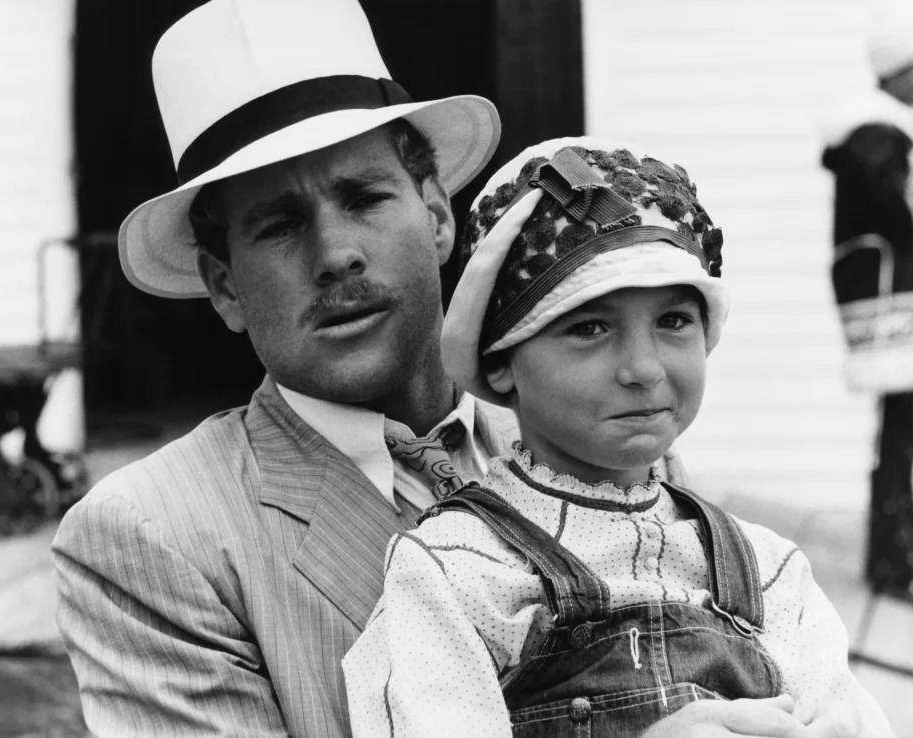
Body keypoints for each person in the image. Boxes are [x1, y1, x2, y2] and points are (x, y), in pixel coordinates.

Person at [50, 0, 517, 735]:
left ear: (435, 216)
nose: (335, 256)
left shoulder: (576, 429)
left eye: (363, 198)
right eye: (281, 224)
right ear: (226, 286)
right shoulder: (153, 536)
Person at [342, 137, 894, 737]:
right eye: (590, 328)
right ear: (500, 360)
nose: (644, 369)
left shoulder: (766, 572)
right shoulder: (458, 574)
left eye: (674, 321)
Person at [821, 1, 913, 600]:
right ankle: (895, 561)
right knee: (903, 432)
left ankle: (893, 556)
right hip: (896, 309)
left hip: (891, 304)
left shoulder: (877, 132)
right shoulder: (878, 134)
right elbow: (903, 215)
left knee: (901, 431)